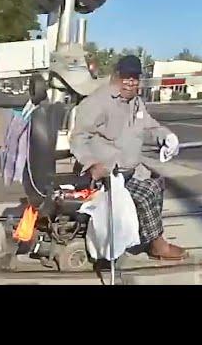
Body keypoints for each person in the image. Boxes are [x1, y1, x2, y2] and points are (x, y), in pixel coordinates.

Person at [70, 55, 188, 260]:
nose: (130, 83)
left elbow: (150, 125)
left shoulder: (136, 103)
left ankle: (146, 237)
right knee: (147, 193)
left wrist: (167, 136)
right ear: (116, 76)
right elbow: (79, 137)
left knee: (156, 182)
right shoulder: (98, 102)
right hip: (106, 174)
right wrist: (91, 164)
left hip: (130, 170)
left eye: (134, 78)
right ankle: (158, 244)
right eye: (126, 77)